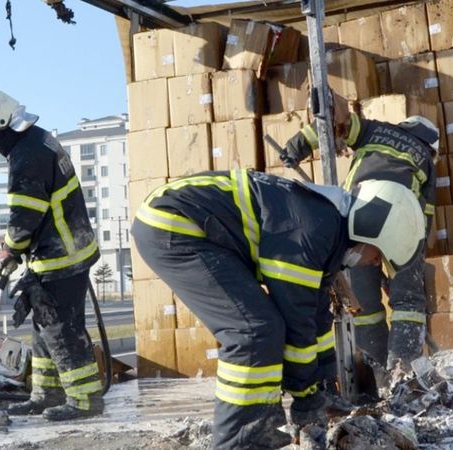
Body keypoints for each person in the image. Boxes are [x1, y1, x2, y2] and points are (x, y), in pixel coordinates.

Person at [131, 169, 425, 449]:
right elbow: (295, 318)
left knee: (263, 327)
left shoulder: (328, 228)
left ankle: (257, 429)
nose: (375, 264)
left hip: (191, 223)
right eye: (379, 255)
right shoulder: (311, 230)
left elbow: (316, 317)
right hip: (175, 225)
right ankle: (242, 440)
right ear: (370, 229)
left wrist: (323, 388)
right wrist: (304, 397)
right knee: (253, 331)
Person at [0, 88, 102, 421]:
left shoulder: (27, 155)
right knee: (43, 326)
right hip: (61, 251)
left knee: (61, 329)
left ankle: (85, 400)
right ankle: (46, 394)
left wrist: (10, 247)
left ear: (3, 120)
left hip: (62, 256)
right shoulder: (37, 140)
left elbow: (25, 213)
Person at [282, 92, 440, 372]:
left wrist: (297, 147)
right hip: (399, 223)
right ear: (432, 146)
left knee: (364, 303)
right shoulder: (426, 159)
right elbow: (423, 218)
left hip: (357, 215)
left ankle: (375, 369)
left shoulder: (376, 130)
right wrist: (406, 267)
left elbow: (332, 124)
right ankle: (404, 370)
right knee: (408, 303)